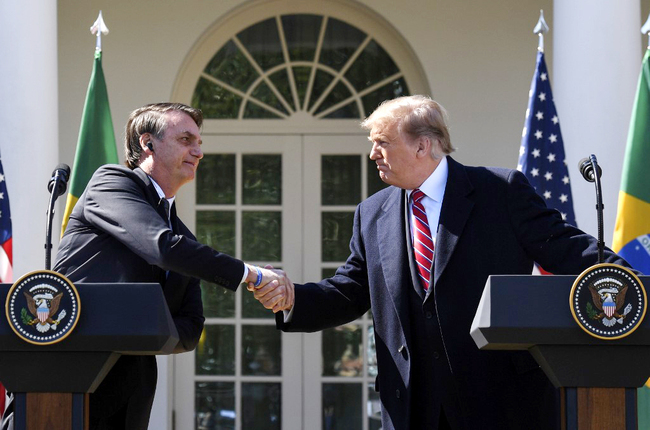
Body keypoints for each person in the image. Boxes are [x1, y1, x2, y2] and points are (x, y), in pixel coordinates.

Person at [252, 95, 632, 430]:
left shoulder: (500, 192)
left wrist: (628, 280)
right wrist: (292, 299)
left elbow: (565, 247)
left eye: (382, 143)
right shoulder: (372, 213)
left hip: (499, 398)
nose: (373, 155)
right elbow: (350, 291)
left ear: (423, 146)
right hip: (412, 404)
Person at [54, 102, 291, 430]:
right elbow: (160, 248)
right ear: (147, 143)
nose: (198, 152)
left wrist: (142, 327)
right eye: (185, 140)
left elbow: (192, 326)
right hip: (66, 380)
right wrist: (251, 274)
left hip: (131, 394)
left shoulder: (182, 238)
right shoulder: (110, 183)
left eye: (199, 143)